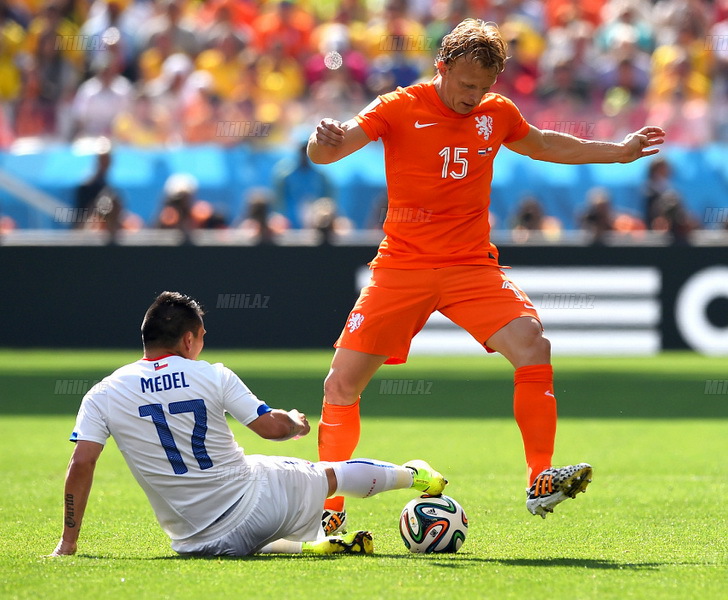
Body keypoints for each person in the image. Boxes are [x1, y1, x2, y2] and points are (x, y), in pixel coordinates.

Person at [307, 18, 665, 532]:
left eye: (484, 87)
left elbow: (543, 143)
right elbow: (330, 151)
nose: (474, 96)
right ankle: (330, 513)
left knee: (532, 345)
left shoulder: (496, 112)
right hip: (402, 266)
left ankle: (540, 479)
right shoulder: (396, 107)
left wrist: (619, 151)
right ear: (442, 67)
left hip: (469, 266)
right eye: (466, 84)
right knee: (340, 385)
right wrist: (322, 142)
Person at [49, 291, 446, 557]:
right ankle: (415, 476)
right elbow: (270, 429)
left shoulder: (103, 393)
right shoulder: (211, 374)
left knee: (236, 528)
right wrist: (293, 421)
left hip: (193, 542)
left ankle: (312, 548)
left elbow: (80, 464)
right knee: (327, 475)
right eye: (201, 336)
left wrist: (68, 542)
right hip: (258, 503)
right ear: (188, 340)